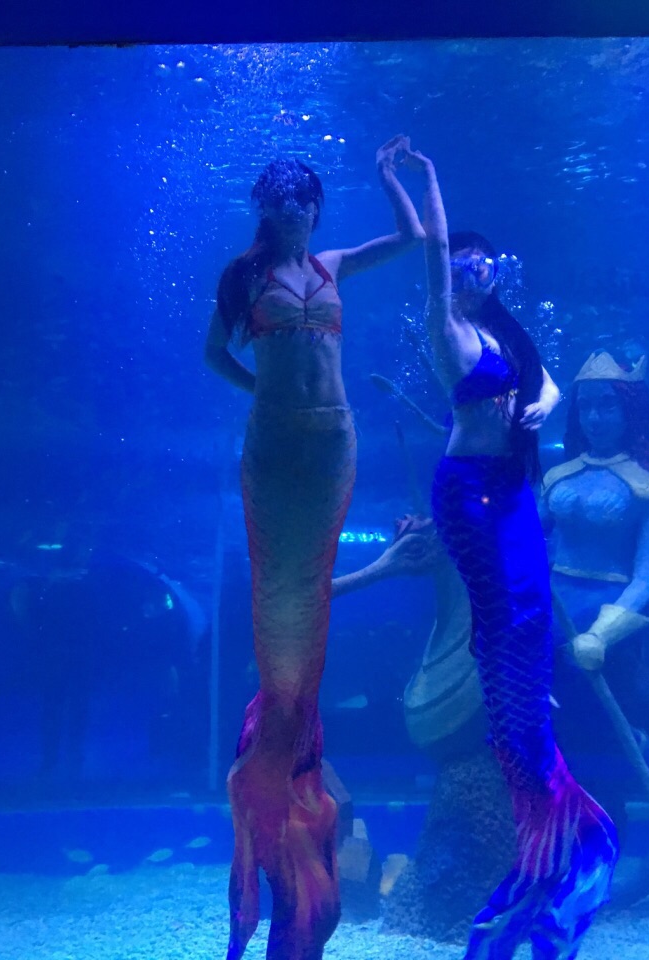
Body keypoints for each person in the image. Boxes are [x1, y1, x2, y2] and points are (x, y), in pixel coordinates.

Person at [204, 138, 423, 960]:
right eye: (278, 202)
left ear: (315, 210)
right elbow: (214, 352)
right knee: (278, 589)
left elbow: (411, 240)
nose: (291, 212)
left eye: (302, 201)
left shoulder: (332, 265)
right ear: (264, 210)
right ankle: (270, 753)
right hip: (274, 441)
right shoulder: (244, 275)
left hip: (333, 441)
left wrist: (391, 177)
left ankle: (292, 755)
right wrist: (260, 389)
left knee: (312, 581)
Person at [402, 144, 618, 960]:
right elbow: (432, 249)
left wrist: (539, 411)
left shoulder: (508, 332)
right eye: (462, 265)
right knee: (499, 618)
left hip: (515, 491)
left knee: (532, 614)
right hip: (468, 493)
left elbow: (549, 384)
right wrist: (422, 177)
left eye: (483, 265)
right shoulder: (447, 324)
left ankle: (538, 748)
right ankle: (530, 764)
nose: (473, 273)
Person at [542, 350, 649, 748]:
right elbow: (532, 542)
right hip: (548, 599)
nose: (594, 418)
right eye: (585, 407)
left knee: (598, 691)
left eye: (607, 406)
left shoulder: (647, 489)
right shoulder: (558, 477)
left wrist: (601, 634)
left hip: (606, 607)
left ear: (629, 410)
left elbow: (646, 578)